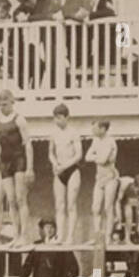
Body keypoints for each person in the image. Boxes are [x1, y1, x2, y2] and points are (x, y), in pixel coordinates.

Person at [0, 90, 33, 243]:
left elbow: (28, 144)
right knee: (10, 200)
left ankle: (24, 235)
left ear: (12, 102)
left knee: (20, 198)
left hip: (19, 160)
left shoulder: (19, 119)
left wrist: (30, 167)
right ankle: (16, 235)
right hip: (4, 162)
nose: (2, 107)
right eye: (0, 105)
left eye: (4, 104)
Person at [48, 104, 83, 244]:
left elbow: (79, 155)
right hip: (59, 170)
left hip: (72, 170)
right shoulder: (53, 133)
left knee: (71, 205)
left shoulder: (73, 132)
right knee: (59, 205)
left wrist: (65, 166)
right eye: (55, 118)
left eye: (60, 118)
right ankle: (60, 236)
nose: (57, 121)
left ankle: (70, 237)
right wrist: (55, 164)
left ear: (67, 117)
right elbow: (51, 152)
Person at [85, 119, 119, 239]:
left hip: (110, 178)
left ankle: (108, 236)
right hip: (99, 178)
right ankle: (97, 235)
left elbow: (103, 160)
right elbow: (87, 157)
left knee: (108, 207)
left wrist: (96, 157)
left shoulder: (110, 141)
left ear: (103, 129)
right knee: (95, 208)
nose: (92, 130)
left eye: (95, 128)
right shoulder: (95, 141)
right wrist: (97, 157)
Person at [115, 174, 139, 243]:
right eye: (137, 191)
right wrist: (118, 218)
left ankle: (127, 239)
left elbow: (138, 210)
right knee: (117, 217)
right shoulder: (124, 183)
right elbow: (117, 202)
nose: (138, 193)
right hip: (116, 195)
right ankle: (115, 236)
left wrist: (138, 226)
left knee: (129, 215)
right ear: (133, 185)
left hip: (126, 197)